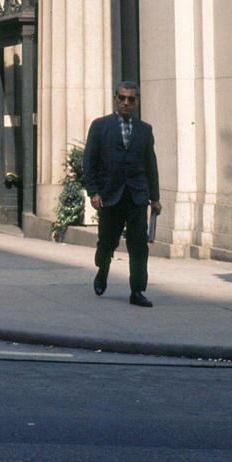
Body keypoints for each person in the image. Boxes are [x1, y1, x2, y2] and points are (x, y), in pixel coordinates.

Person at [83, 81, 162, 307]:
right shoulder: (100, 126)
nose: (126, 103)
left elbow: (151, 164)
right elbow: (89, 161)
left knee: (138, 245)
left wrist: (154, 198)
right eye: (122, 98)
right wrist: (93, 192)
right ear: (115, 99)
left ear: (137, 102)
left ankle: (137, 291)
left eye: (131, 99)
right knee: (107, 241)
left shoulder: (144, 130)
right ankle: (102, 270)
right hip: (109, 195)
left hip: (137, 196)